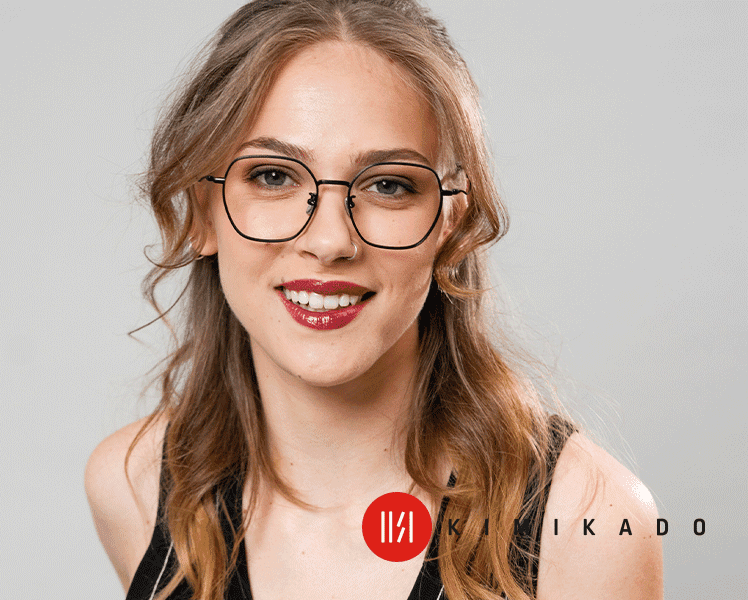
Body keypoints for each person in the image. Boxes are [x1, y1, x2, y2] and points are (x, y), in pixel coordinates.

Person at [85, 1, 663, 598]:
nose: (330, 241)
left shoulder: (589, 524)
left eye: (388, 185)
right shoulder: (131, 486)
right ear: (201, 211)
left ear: (450, 226)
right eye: (274, 176)